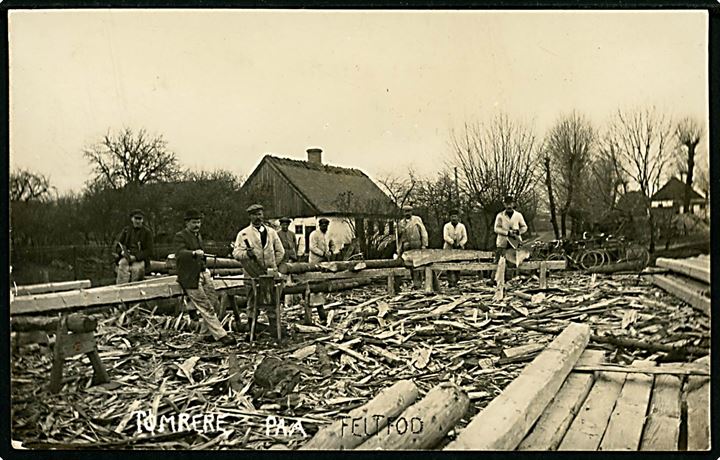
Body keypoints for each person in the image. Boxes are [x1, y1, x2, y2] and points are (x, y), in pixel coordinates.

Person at [174, 209, 235, 346]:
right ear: (187, 223)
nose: (197, 225)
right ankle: (221, 335)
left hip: (203, 272)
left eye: (199, 222)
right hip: (190, 277)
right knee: (205, 306)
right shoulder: (180, 236)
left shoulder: (197, 236)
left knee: (214, 302)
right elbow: (180, 253)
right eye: (194, 222)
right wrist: (194, 253)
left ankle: (205, 334)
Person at [232, 204, 285, 336]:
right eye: (254, 215)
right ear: (250, 216)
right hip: (251, 273)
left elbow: (280, 251)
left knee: (272, 300)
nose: (258, 217)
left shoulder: (271, 232)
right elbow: (236, 253)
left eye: (259, 214)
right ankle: (252, 331)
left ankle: (274, 330)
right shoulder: (244, 234)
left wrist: (272, 266)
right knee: (252, 301)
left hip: (269, 274)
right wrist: (246, 255)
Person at [113, 209, 154, 285]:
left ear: (142, 220)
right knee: (122, 266)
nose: (137, 221)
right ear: (132, 219)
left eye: (140, 219)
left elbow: (149, 251)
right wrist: (122, 252)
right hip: (126, 258)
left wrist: (136, 257)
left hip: (140, 259)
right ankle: (121, 288)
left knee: (136, 270)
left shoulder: (147, 232)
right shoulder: (126, 230)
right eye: (136, 218)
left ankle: (133, 290)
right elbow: (118, 245)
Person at [306, 218, 335, 322]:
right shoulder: (314, 234)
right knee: (314, 283)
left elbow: (332, 244)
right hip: (315, 261)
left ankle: (320, 306)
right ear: (319, 225)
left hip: (324, 262)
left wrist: (331, 251)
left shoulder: (328, 235)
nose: (325, 227)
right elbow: (312, 247)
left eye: (326, 226)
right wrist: (322, 254)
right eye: (323, 225)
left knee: (322, 283)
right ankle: (313, 307)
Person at [398, 205, 429, 288]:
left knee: (418, 263)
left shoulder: (417, 220)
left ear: (411, 212)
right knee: (409, 264)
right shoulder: (401, 223)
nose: (407, 213)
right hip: (407, 246)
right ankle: (414, 282)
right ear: (403, 212)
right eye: (405, 211)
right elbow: (399, 237)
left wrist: (424, 244)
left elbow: (423, 232)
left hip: (416, 244)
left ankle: (418, 283)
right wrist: (399, 249)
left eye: (409, 211)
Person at [494, 195, 528, 262]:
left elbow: (525, 227)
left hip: (515, 243)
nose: (509, 206)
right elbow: (496, 228)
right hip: (502, 243)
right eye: (507, 204)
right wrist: (507, 232)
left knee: (515, 263)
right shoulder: (500, 215)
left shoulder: (518, 215)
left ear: (513, 204)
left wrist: (518, 232)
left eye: (510, 204)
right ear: (504, 204)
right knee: (500, 263)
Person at [443, 209, 468, 287]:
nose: (454, 218)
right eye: (452, 217)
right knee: (449, 265)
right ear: (450, 217)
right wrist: (452, 242)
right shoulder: (447, 226)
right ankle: (450, 281)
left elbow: (465, 237)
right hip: (448, 248)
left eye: (455, 216)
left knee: (457, 264)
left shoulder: (461, 226)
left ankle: (456, 280)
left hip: (459, 248)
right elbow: (445, 236)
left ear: (458, 217)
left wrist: (460, 244)